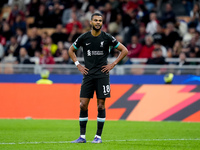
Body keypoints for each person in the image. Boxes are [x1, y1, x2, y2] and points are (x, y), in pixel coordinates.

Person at [68, 13, 128, 143]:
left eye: (100, 21)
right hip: (88, 75)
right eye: (95, 20)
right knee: (83, 104)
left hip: (102, 75)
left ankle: (98, 137)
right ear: (91, 22)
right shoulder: (84, 37)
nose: (97, 22)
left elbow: (124, 50)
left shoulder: (107, 37)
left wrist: (113, 64)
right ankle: (82, 137)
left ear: (102, 23)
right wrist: (78, 65)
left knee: (101, 105)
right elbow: (70, 50)